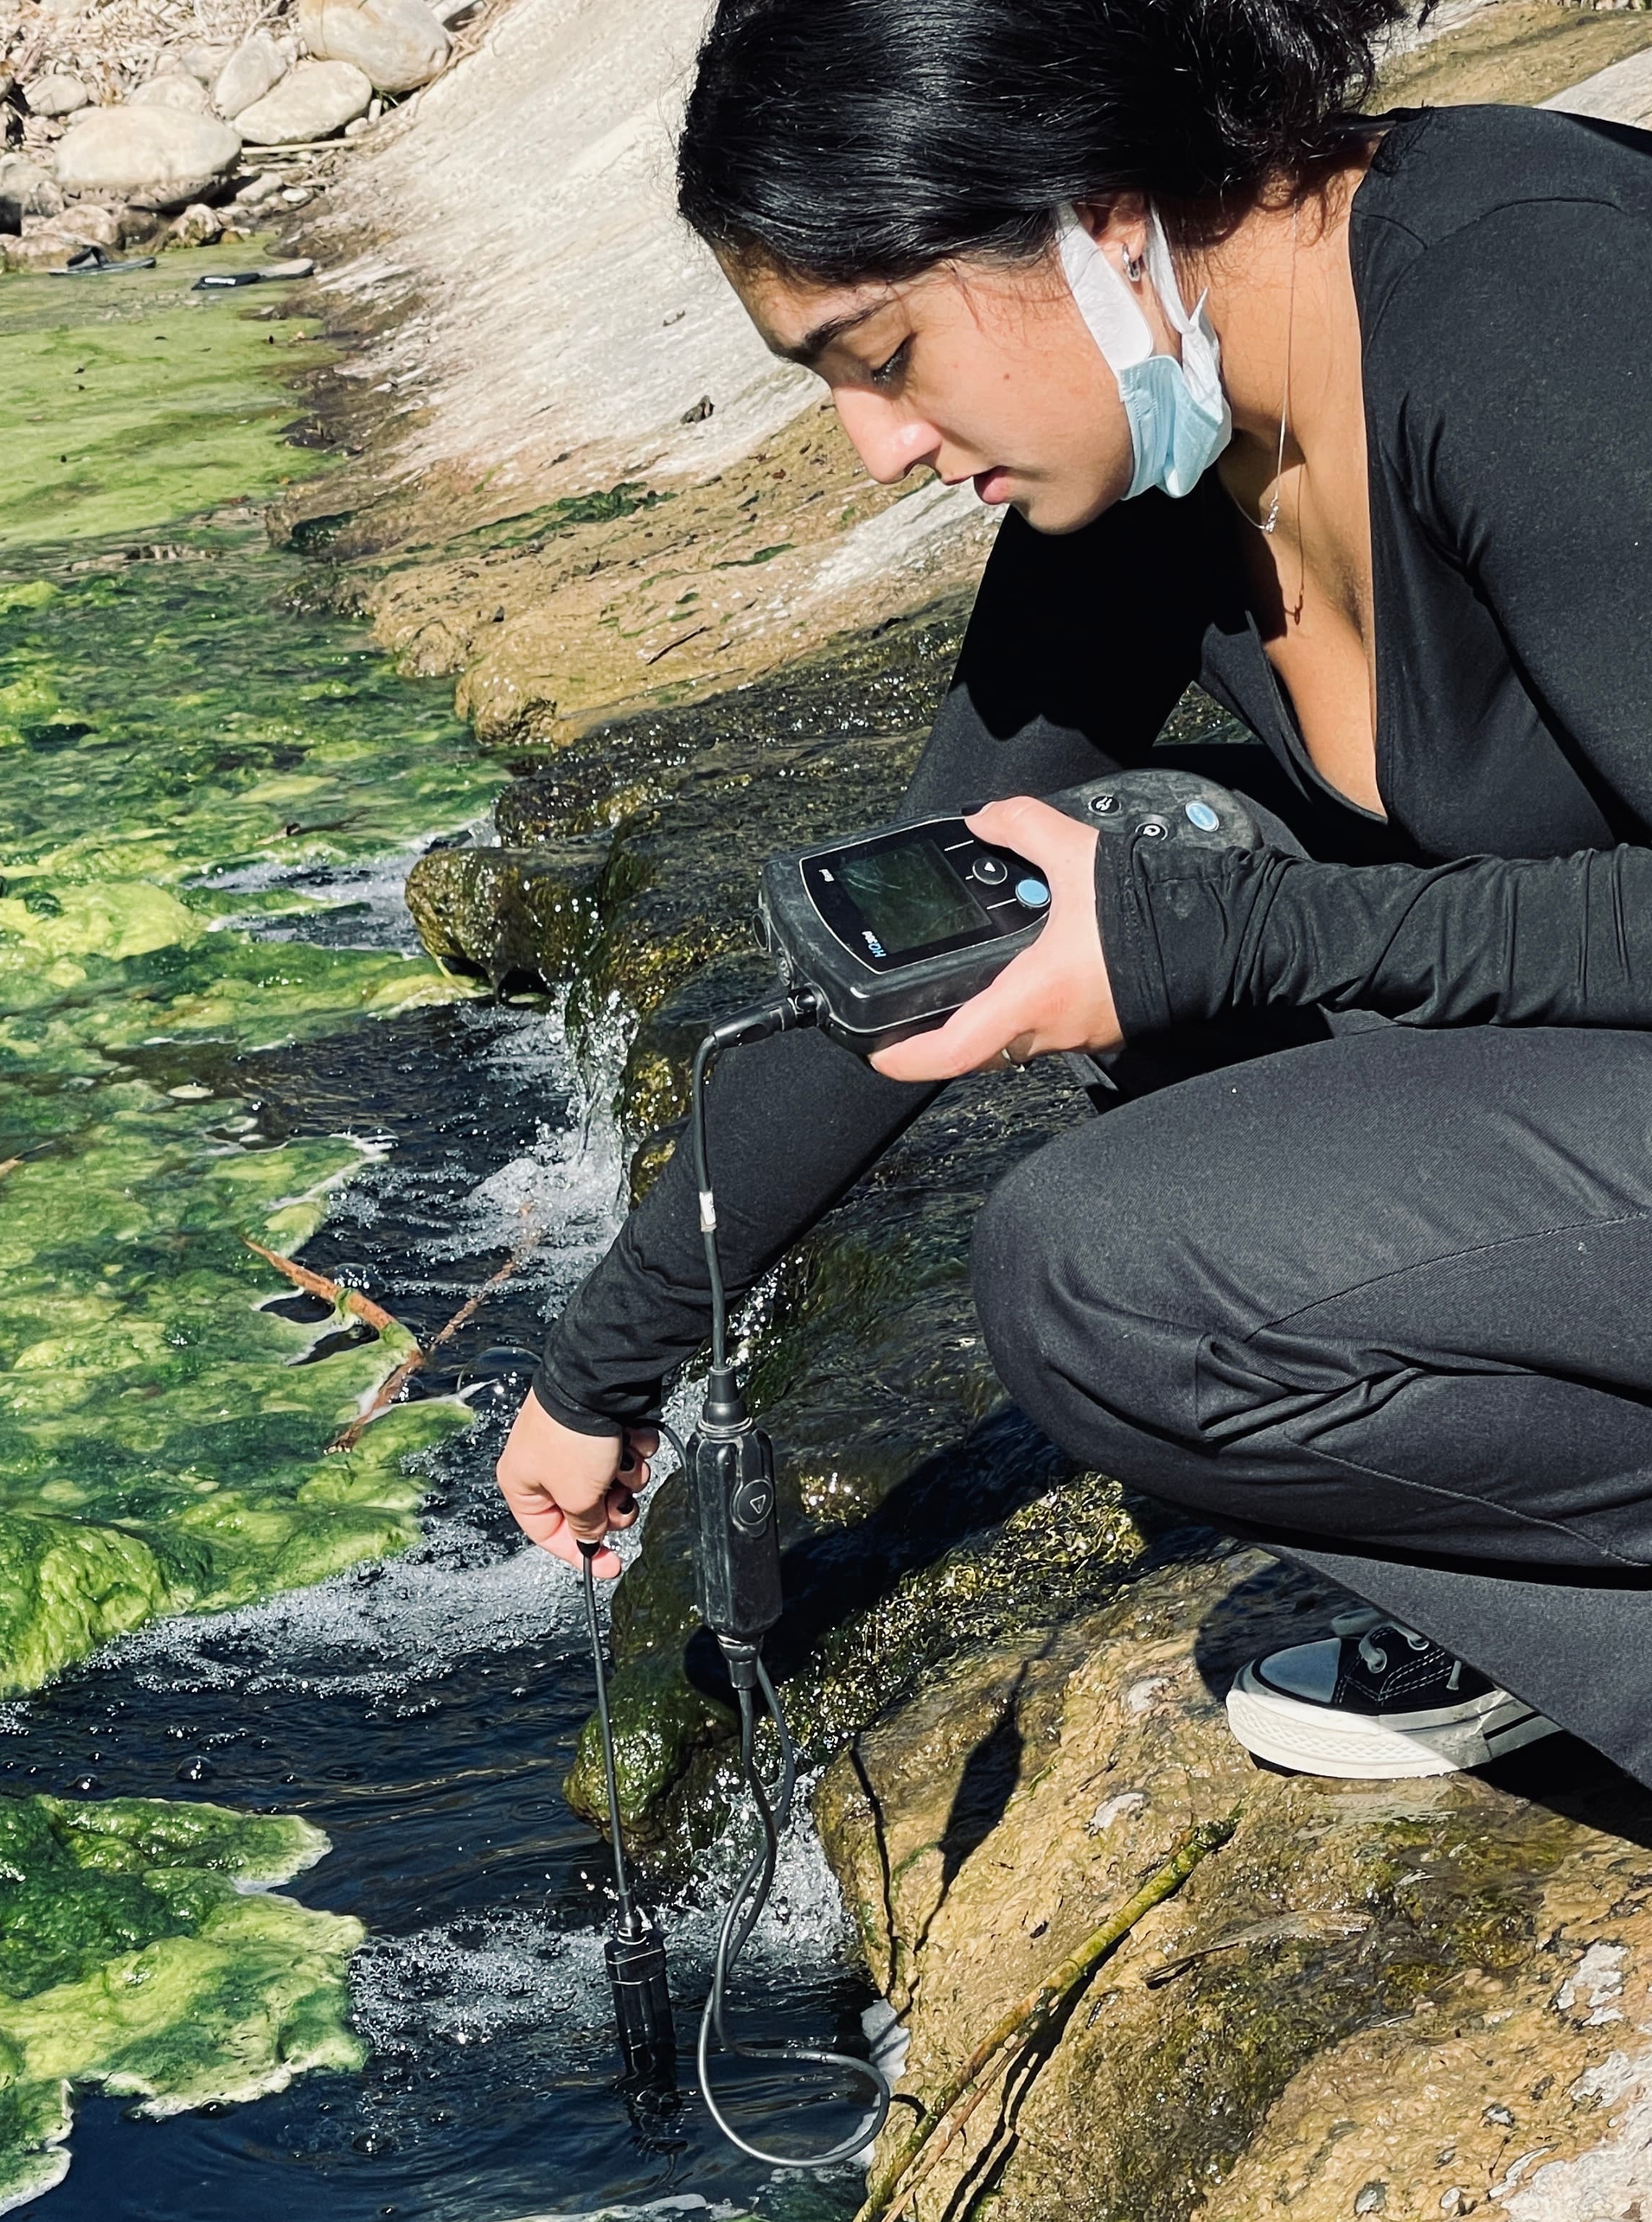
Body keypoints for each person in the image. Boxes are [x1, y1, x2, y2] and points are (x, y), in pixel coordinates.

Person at [494, 0, 1652, 1787]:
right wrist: (609, 1359)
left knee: (1107, 1282)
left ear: (1097, 217)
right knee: (1122, 867)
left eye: (878, 353)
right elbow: (916, 938)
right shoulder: (1149, 459)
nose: (873, 448)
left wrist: (1249, 936)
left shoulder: (1538, 301)